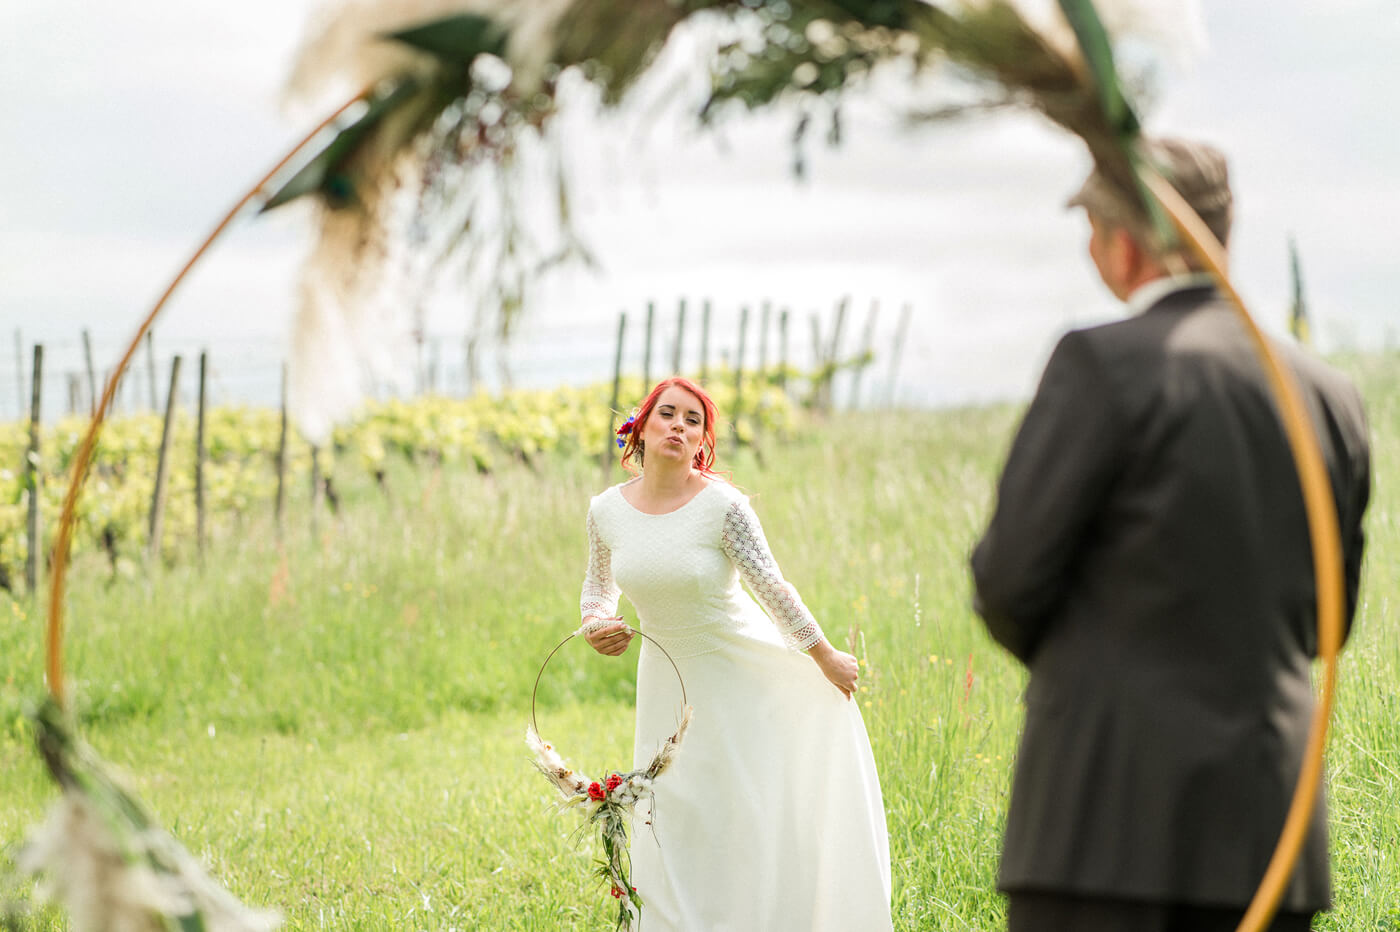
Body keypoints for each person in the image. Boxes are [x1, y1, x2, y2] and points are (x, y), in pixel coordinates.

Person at [971, 137, 1371, 932]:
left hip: (1104, 826)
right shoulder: (1331, 394)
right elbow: (1331, 622)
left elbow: (1008, 586)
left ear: (1126, 242)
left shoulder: (1101, 365)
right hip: (1268, 832)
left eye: (1092, 228)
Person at [579, 376, 893, 931]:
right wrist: (597, 626)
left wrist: (824, 657)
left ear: (702, 442)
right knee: (671, 812)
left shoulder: (723, 505)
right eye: (668, 415)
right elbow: (598, 590)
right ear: (642, 428)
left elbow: (772, 588)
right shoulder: (606, 511)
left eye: (693, 420)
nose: (679, 426)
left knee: (743, 810)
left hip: (739, 671)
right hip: (665, 681)